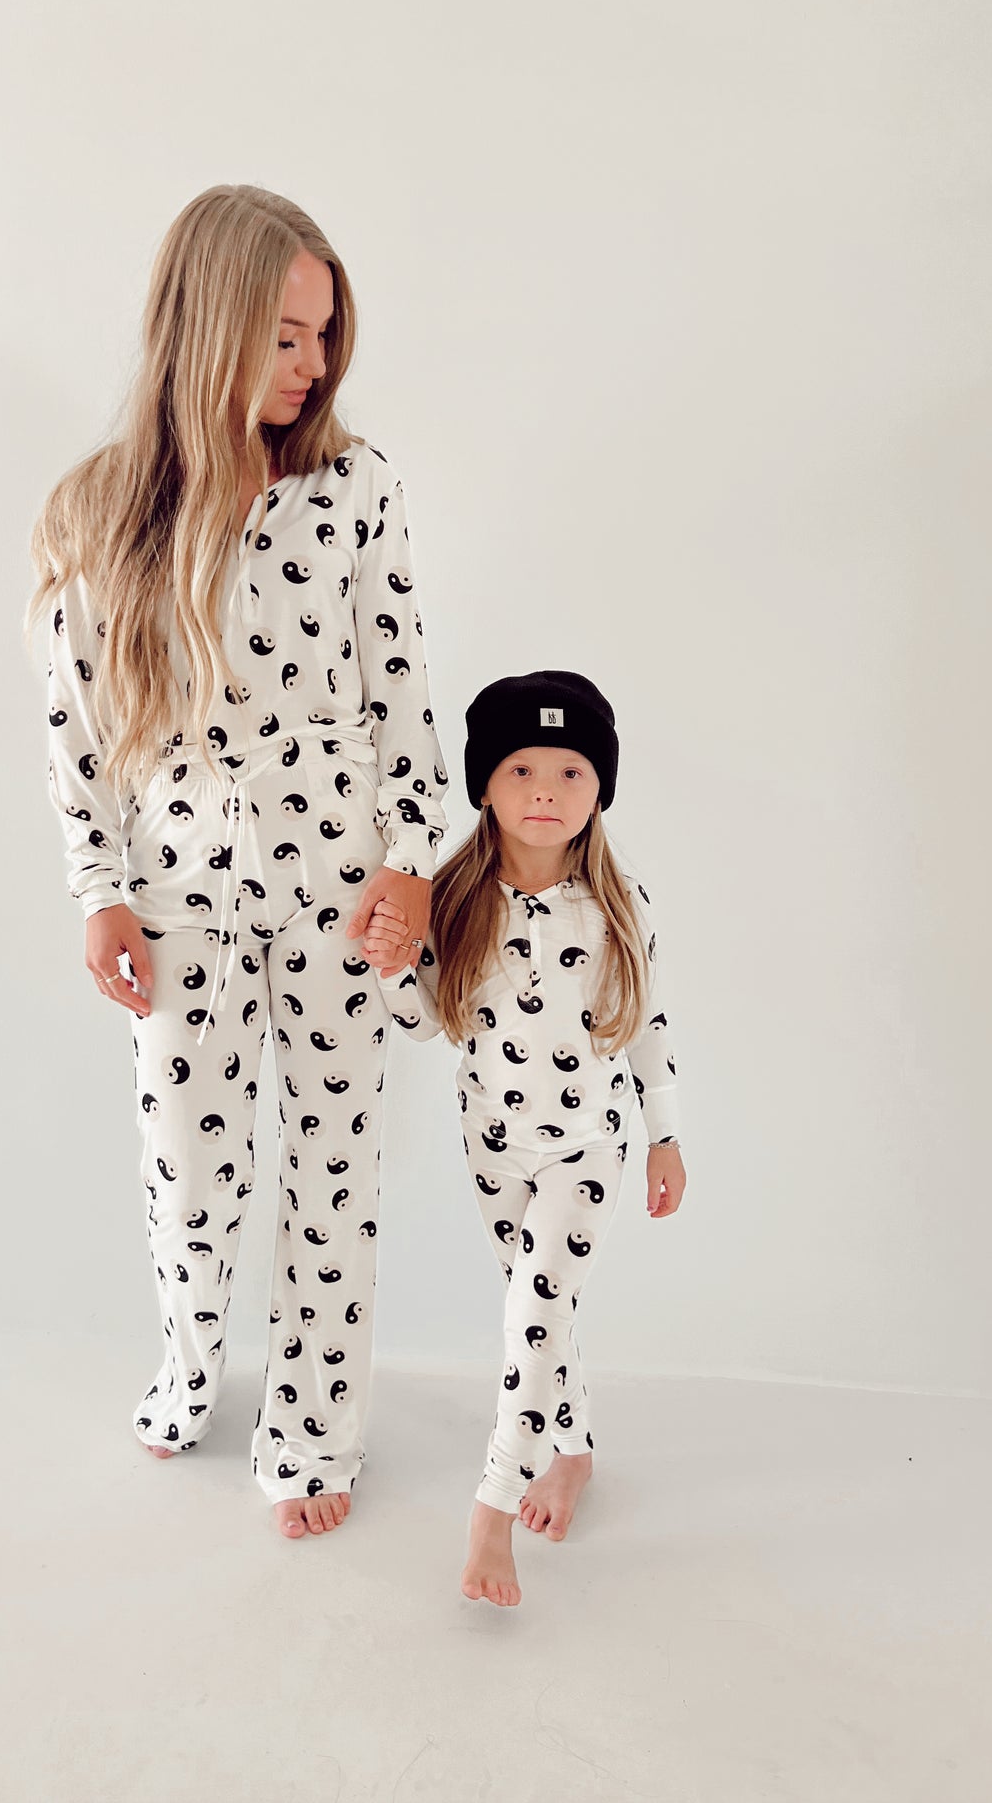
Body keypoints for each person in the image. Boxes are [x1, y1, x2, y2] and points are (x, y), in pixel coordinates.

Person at [30, 185, 448, 1540]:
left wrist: (411, 862)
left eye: (324, 335)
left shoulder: (355, 487)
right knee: (189, 1176)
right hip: (180, 913)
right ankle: (195, 1357)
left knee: (333, 1177)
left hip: (339, 911)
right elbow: (79, 732)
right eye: (282, 334)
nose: (312, 364)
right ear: (204, 327)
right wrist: (99, 892)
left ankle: (316, 1423)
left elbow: (403, 697)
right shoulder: (101, 513)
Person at [360, 670, 686, 1604]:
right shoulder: (457, 904)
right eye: (521, 768)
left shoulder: (620, 909)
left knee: (530, 1317)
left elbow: (650, 1025)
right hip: (492, 1146)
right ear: (485, 786)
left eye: (571, 771)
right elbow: (424, 1021)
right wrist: (389, 966)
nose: (546, 790)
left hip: (587, 1149)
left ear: (599, 789)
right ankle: (572, 1449)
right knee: (539, 1310)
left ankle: (490, 1511)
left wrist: (665, 1137)